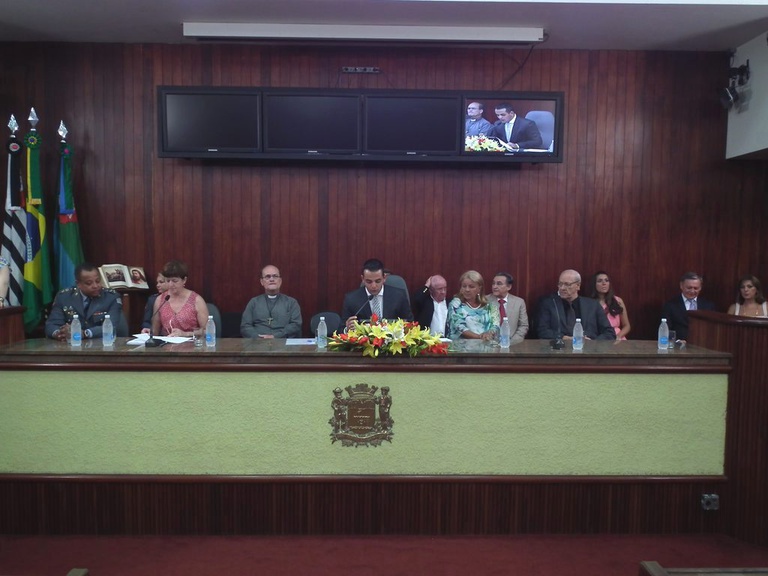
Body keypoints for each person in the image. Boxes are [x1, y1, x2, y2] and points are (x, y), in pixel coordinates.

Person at [45, 262, 124, 341]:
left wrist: (84, 333)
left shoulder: (111, 297)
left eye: (97, 281)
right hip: (70, 344)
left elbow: (112, 326)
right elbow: (51, 325)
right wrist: (59, 334)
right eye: (89, 283)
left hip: (101, 343)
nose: (95, 286)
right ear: (78, 284)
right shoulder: (64, 297)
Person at [536, 269, 615, 341]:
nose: (562, 288)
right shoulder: (550, 304)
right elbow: (542, 331)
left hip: (589, 349)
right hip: (560, 348)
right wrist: (564, 338)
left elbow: (609, 333)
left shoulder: (593, 305)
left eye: (567, 284)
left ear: (578, 286)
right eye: (560, 284)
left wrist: (592, 343)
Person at [342, 258, 412, 331]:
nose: (374, 286)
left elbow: (409, 323)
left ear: (384, 278)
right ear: (363, 279)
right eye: (369, 281)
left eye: (378, 281)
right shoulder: (351, 299)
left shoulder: (399, 296)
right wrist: (347, 328)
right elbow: (341, 329)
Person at [241, 264, 302, 338]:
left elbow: (296, 325)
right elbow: (245, 326)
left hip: (283, 341)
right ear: (262, 282)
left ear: (280, 281)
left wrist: (275, 336)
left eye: (275, 276)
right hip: (257, 342)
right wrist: (257, 337)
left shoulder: (291, 302)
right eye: (267, 276)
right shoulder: (254, 302)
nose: (272, 279)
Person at [151, 259, 208, 338]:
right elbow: (155, 332)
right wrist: (149, 332)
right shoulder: (160, 300)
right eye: (168, 281)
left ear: (184, 280)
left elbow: (207, 331)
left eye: (174, 281)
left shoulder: (197, 300)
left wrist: (185, 334)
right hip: (166, 343)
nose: (170, 284)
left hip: (191, 344)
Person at [446, 270, 500, 341]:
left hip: (486, 346)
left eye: (471, 287)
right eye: (464, 286)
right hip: (462, 346)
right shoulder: (455, 305)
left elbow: (496, 326)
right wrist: (480, 337)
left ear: (479, 288)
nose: (467, 289)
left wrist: (489, 333)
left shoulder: (489, 306)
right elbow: (459, 327)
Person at [661, 272, 715, 341]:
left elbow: (712, 330)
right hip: (678, 345)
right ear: (681, 286)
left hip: (701, 344)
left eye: (696, 288)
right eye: (689, 288)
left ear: (700, 288)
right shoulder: (670, 306)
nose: (692, 291)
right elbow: (666, 330)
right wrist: (677, 342)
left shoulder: (708, 306)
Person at [488, 272, 529, 344]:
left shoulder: (519, 302)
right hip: (488, 344)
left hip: (512, 344)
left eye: (499, 284)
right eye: (493, 283)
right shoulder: (485, 301)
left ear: (509, 287)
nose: (494, 286)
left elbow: (523, 326)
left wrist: (511, 342)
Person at [590, 271, 631, 340]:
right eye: (600, 281)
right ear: (594, 284)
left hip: (617, 337)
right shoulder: (589, 303)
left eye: (606, 280)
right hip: (598, 338)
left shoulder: (618, 301)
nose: (604, 283)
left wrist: (618, 336)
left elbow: (627, 326)